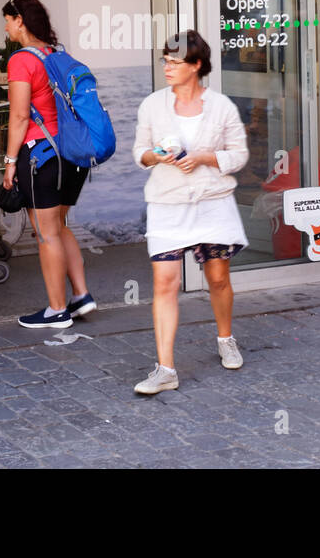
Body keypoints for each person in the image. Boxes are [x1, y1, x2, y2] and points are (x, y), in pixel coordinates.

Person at [130, 29, 248, 394]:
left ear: (196, 66)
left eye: (175, 62)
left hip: (213, 202)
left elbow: (239, 155)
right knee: (165, 283)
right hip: (167, 204)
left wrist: (203, 157)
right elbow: (140, 153)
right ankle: (165, 369)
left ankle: (225, 338)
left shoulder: (222, 106)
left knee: (217, 279)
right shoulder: (152, 104)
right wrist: (156, 156)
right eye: (165, 60)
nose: (167, 67)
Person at [0, 0, 94, 329]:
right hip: (71, 155)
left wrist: (10, 161)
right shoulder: (57, 53)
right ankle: (81, 295)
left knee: (46, 234)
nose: (6, 27)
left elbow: (20, 116)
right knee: (58, 226)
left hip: (41, 155)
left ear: (20, 21)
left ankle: (57, 310)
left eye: (8, 20)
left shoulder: (21, 60)